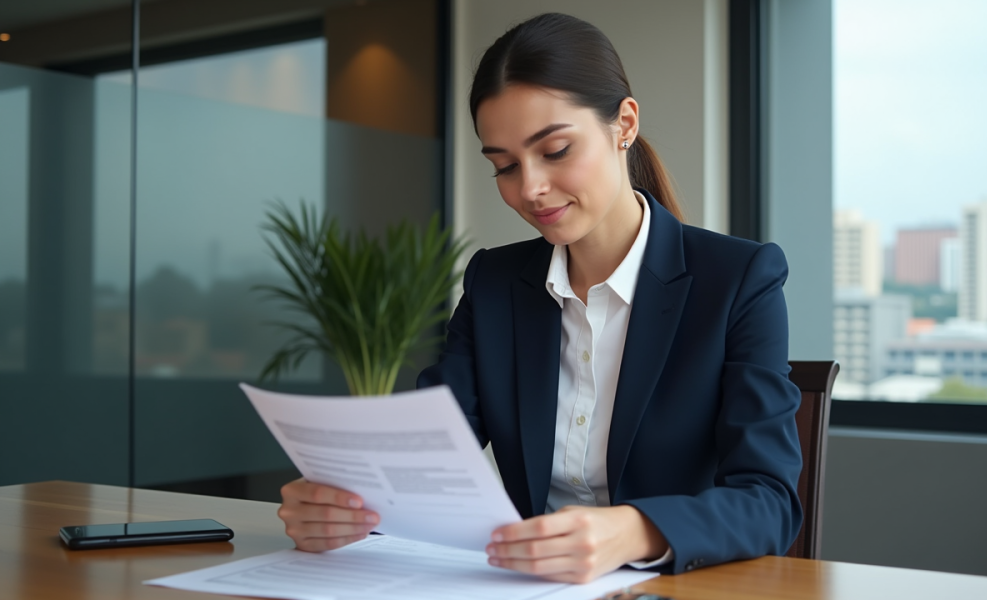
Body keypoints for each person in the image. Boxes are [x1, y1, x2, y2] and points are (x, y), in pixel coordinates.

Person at [276, 12, 803, 584]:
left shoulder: (737, 279)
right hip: (521, 585)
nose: (529, 188)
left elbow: (769, 501)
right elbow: (428, 452)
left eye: (555, 150)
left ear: (624, 124)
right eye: (504, 166)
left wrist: (631, 531)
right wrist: (345, 507)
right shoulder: (495, 282)